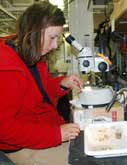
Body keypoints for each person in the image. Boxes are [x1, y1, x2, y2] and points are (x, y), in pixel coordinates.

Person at [0, 1, 82, 164]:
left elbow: (39, 92)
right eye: (52, 37)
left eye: (57, 38)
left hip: (43, 130)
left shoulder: (31, 54)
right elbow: (4, 129)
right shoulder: (6, 69)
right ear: (34, 32)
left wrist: (61, 84)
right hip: (22, 146)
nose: (54, 45)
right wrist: (57, 134)